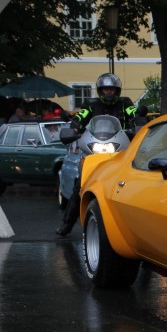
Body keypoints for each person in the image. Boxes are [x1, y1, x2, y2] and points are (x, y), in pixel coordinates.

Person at [56, 73, 137, 236]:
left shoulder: (125, 103)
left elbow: (134, 112)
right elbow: (80, 117)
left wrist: (139, 119)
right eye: (106, 89)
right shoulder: (90, 104)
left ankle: (136, 226)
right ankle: (66, 225)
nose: (109, 93)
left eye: (112, 89)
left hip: (120, 149)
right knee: (80, 185)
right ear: (100, 91)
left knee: (132, 184)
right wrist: (74, 127)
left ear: (117, 91)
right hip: (94, 150)